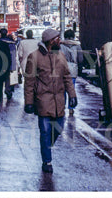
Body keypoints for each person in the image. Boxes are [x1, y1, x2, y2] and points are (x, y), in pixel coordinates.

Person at [24, 28, 77, 173]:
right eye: (57, 38)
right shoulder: (34, 57)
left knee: (58, 128)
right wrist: (28, 102)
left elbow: (66, 77)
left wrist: (72, 96)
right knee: (45, 131)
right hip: (43, 100)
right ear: (50, 41)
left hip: (59, 100)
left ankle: (46, 145)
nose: (59, 41)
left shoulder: (60, 55)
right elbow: (29, 82)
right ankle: (47, 161)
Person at [59, 29, 83, 116]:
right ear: (73, 36)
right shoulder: (77, 46)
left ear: (65, 36)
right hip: (73, 69)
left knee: (62, 90)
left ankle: (62, 107)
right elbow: (80, 59)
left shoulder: (61, 45)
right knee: (71, 89)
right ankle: (71, 108)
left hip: (62, 69)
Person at [0, 28, 18, 100]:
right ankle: (8, 91)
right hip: (8, 63)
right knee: (8, 78)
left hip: (0, 64)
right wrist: (13, 66)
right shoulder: (11, 42)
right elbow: (13, 54)